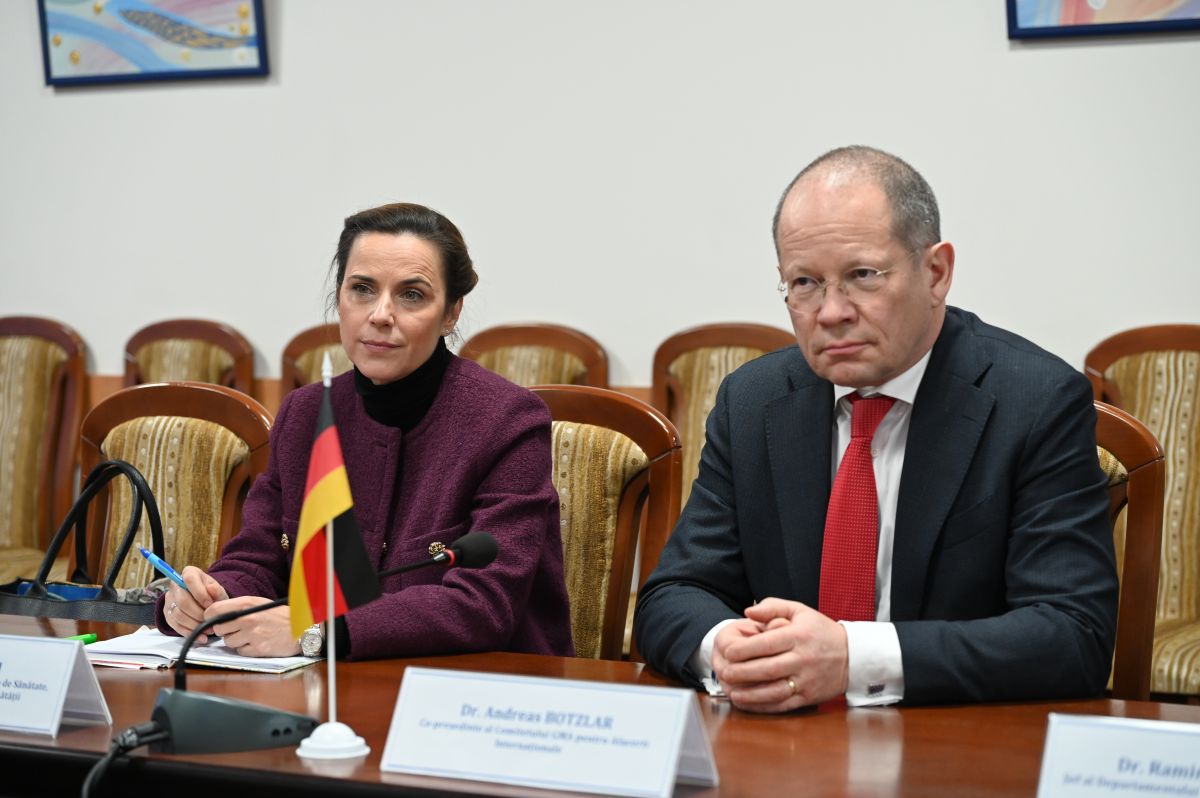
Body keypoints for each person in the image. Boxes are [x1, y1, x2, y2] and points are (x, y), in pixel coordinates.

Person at [633, 146, 1117, 709]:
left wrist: (853, 659)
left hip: (950, 739)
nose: (831, 312)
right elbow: (674, 593)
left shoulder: (1035, 401)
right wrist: (726, 647)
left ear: (936, 273)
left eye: (862, 276)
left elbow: (1071, 635)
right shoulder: (753, 401)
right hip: (782, 737)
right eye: (805, 282)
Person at [156, 202, 574, 659]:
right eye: (362, 289)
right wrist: (209, 598)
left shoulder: (507, 420)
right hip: (329, 686)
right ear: (339, 297)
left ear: (451, 313)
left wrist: (318, 631)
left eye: (411, 294)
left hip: (477, 685)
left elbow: (483, 604)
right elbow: (261, 555)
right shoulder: (305, 413)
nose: (380, 314)